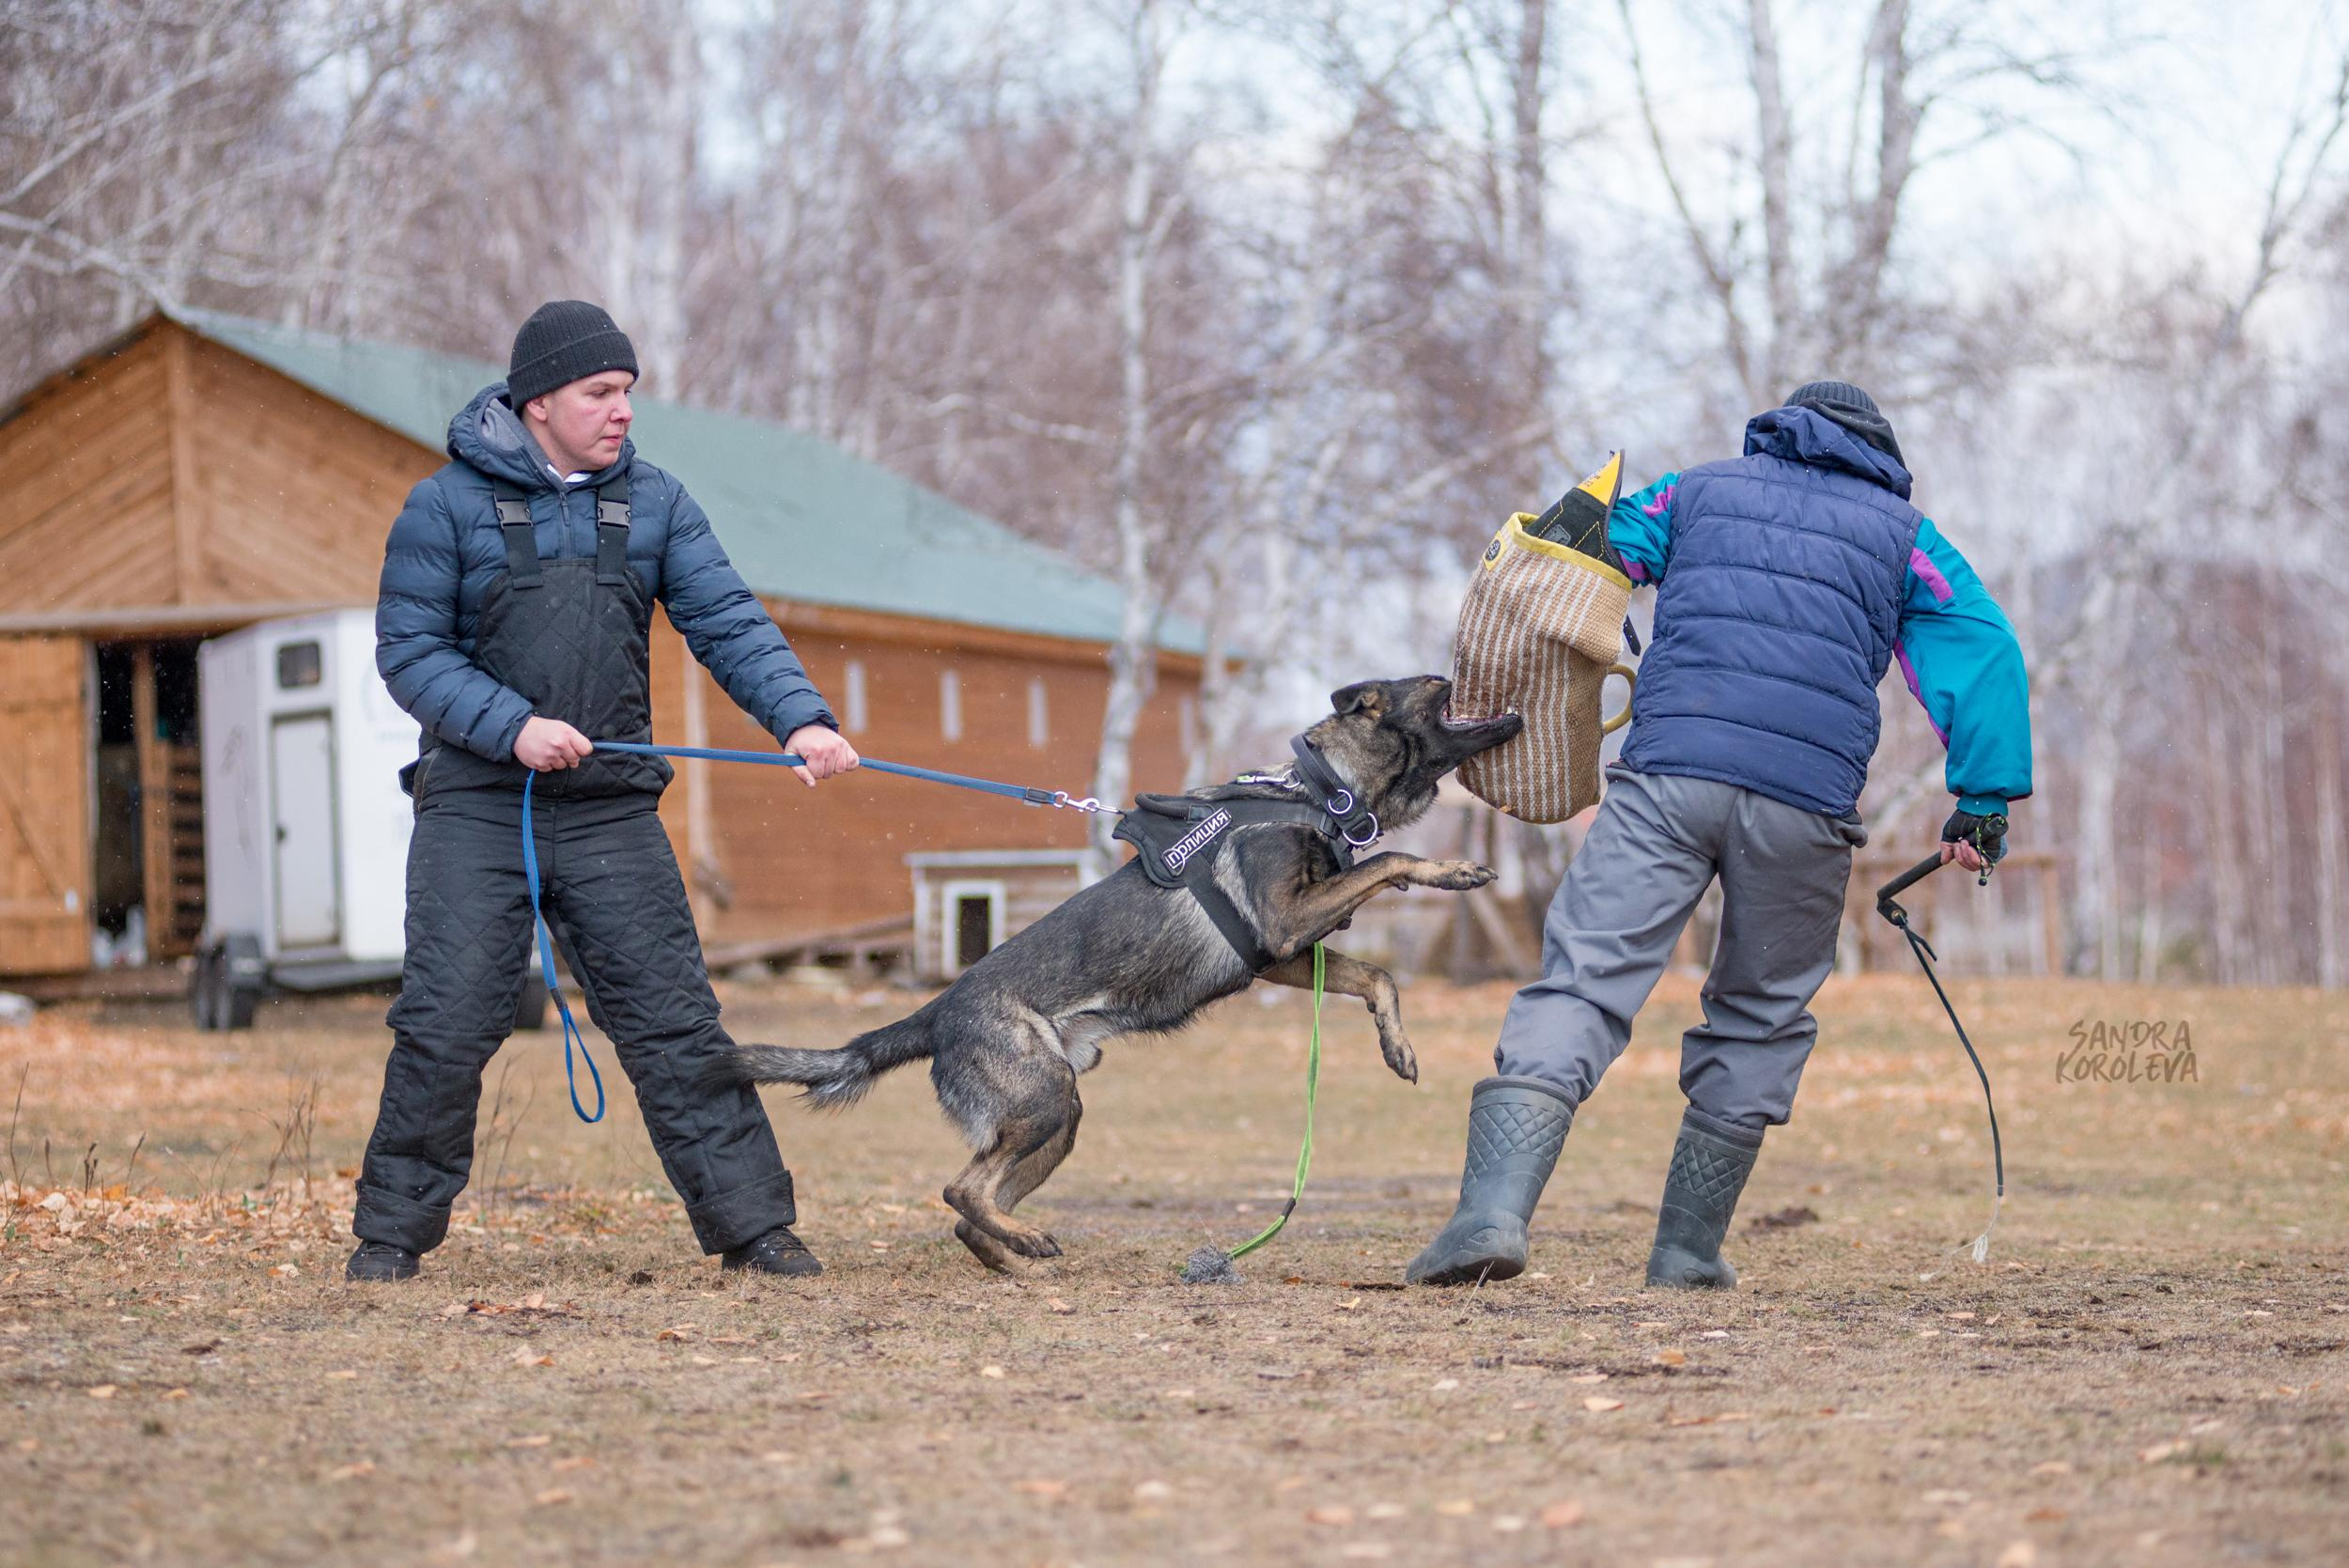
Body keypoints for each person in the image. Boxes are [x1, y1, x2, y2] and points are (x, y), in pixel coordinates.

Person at [1408, 381, 2030, 1290]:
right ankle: (1687, 1252)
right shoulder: (1908, 540)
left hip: (1668, 778)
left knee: (1584, 979)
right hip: (1804, 804)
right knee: (1760, 1013)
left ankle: (1491, 1214)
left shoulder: (1693, 492)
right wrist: (1982, 801)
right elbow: (1984, 649)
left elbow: (1587, 547)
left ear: (1777, 434)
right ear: (1881, 458)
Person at [347, 301, 860, 1283]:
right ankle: (390, 1237)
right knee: (449, 1019)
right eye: (600, 392)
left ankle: (755, 1229)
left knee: (676, 1025)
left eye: (627, 392)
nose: (622, 410)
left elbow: (728, 621)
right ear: (538, 401)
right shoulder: (444, 506)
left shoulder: (655, 502)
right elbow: (409, 650)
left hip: (612, 809)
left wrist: (801, 718)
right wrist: (511, 725)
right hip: (477, 807)